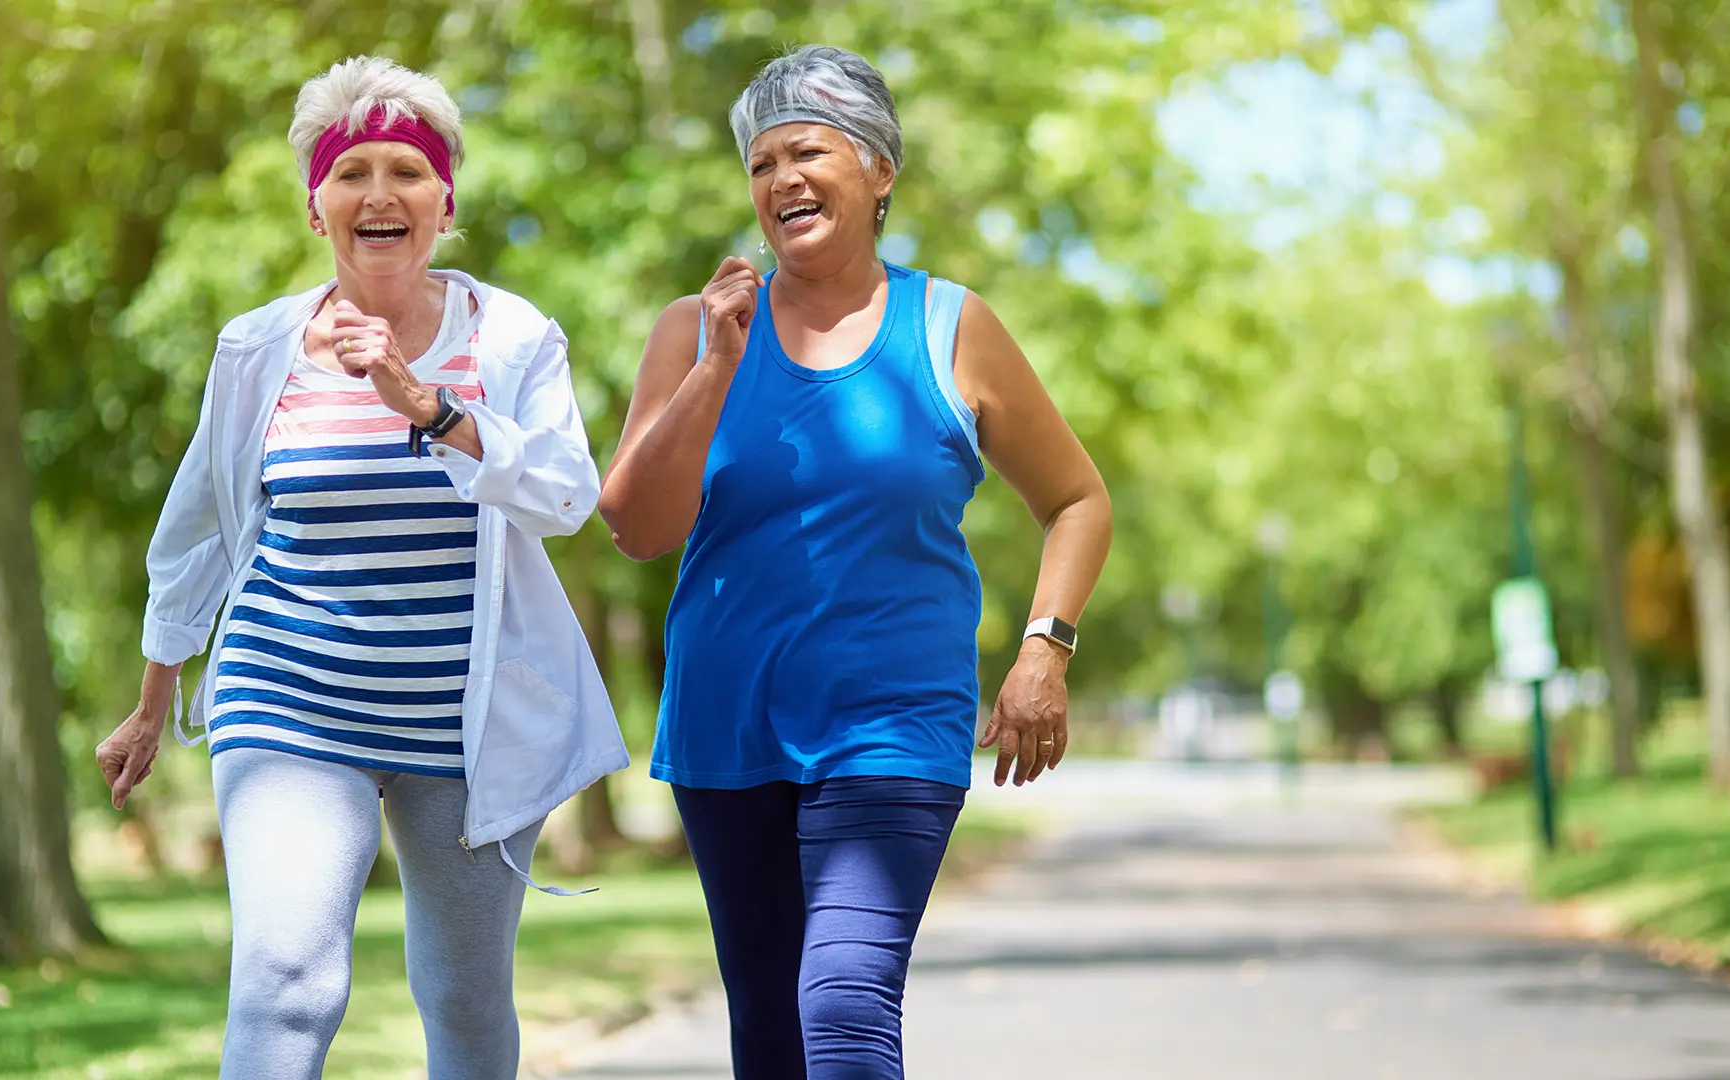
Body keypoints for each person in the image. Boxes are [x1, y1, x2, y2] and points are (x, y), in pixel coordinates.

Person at [93, 55, 628, 1079]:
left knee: (467, 1003)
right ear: (315, 206)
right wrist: (153, 700)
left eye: (406, 170)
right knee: (288, 984)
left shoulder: (511, 336)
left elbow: (568, 496)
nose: (379, 192)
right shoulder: (258, 348)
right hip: (289, 698)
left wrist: (430, 407)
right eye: (352, 172)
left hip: (462, 723)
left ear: (445, 202)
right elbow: (195, 531)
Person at [598, 44, 1113, 1080]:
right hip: (726, 727)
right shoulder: (695, 333)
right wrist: (717, 369)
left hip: (892, 723)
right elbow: (638, 527)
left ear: (879, 171)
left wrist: (1043, 652)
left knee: (841, 1002)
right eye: (761, 164)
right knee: (772, 1033)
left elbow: (1077, 499)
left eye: (809, 151)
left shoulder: (950, 326)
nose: (781, 179)